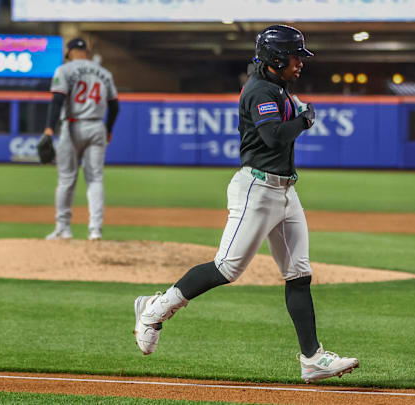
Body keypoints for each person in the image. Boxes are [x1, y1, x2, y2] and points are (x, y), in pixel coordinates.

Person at [132, 25, 359, 384]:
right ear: (277, 57)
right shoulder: (260, 91)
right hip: (257, 189)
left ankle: (312, 359)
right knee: (226, 268)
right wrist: (304, 121)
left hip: (285, 191)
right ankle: (154, 309)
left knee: (299, 275)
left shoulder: (278, 88)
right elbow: (271, 137)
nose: (301, 62)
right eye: (296, 55)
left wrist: (298, 117)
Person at [43, 38, 120, 241]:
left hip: (72, 125)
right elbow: (114, 106)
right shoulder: (104, 73)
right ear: (86, 51)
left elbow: (57, 100)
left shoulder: (64, 70)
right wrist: (109, 129)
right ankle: (95, 230)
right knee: (95, 178)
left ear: (69, 53)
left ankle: (63, 228)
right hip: (97, 126)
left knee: (67, 179)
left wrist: (50, 128)